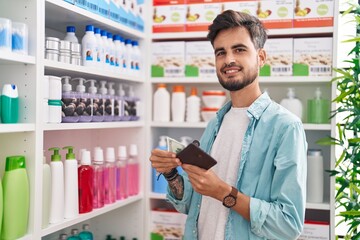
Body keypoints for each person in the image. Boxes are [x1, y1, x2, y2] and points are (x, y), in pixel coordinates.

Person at [149, 10, 307, 240]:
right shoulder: (215, 123)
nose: (229, 59)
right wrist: (171, 174)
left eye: (239, 49)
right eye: (220, 52)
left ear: (261, 57)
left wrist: (223, 192)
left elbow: (289, 225)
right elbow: (191, 204)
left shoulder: (285, 127)